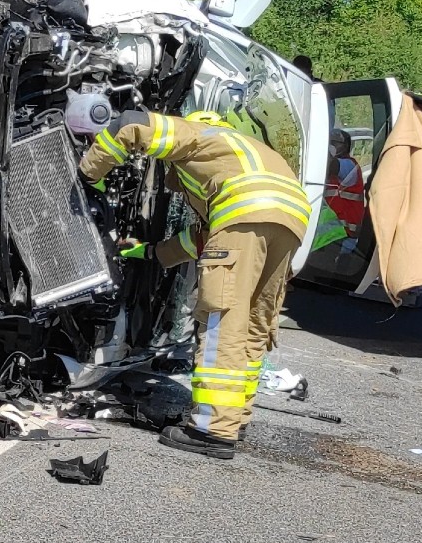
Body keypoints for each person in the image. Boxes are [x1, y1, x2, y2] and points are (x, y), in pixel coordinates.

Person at [79, 109, 309, 459]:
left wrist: (87, 176)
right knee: (253, 325)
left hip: (245, 216)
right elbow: (206, 238)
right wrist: (151, 252)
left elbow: (129, 124)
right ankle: (233, 419)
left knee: (223, 321)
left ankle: (211, 430)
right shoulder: (243, 150)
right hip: (291, 222)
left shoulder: (197, 135)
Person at [324, 128, 365, 238]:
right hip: (331, 234)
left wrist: (322, 150)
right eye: (328, 142)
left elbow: (330, 165)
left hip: (346, 235)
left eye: (334, 143)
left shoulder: (349, 166)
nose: (330, 145)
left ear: (345, 146)